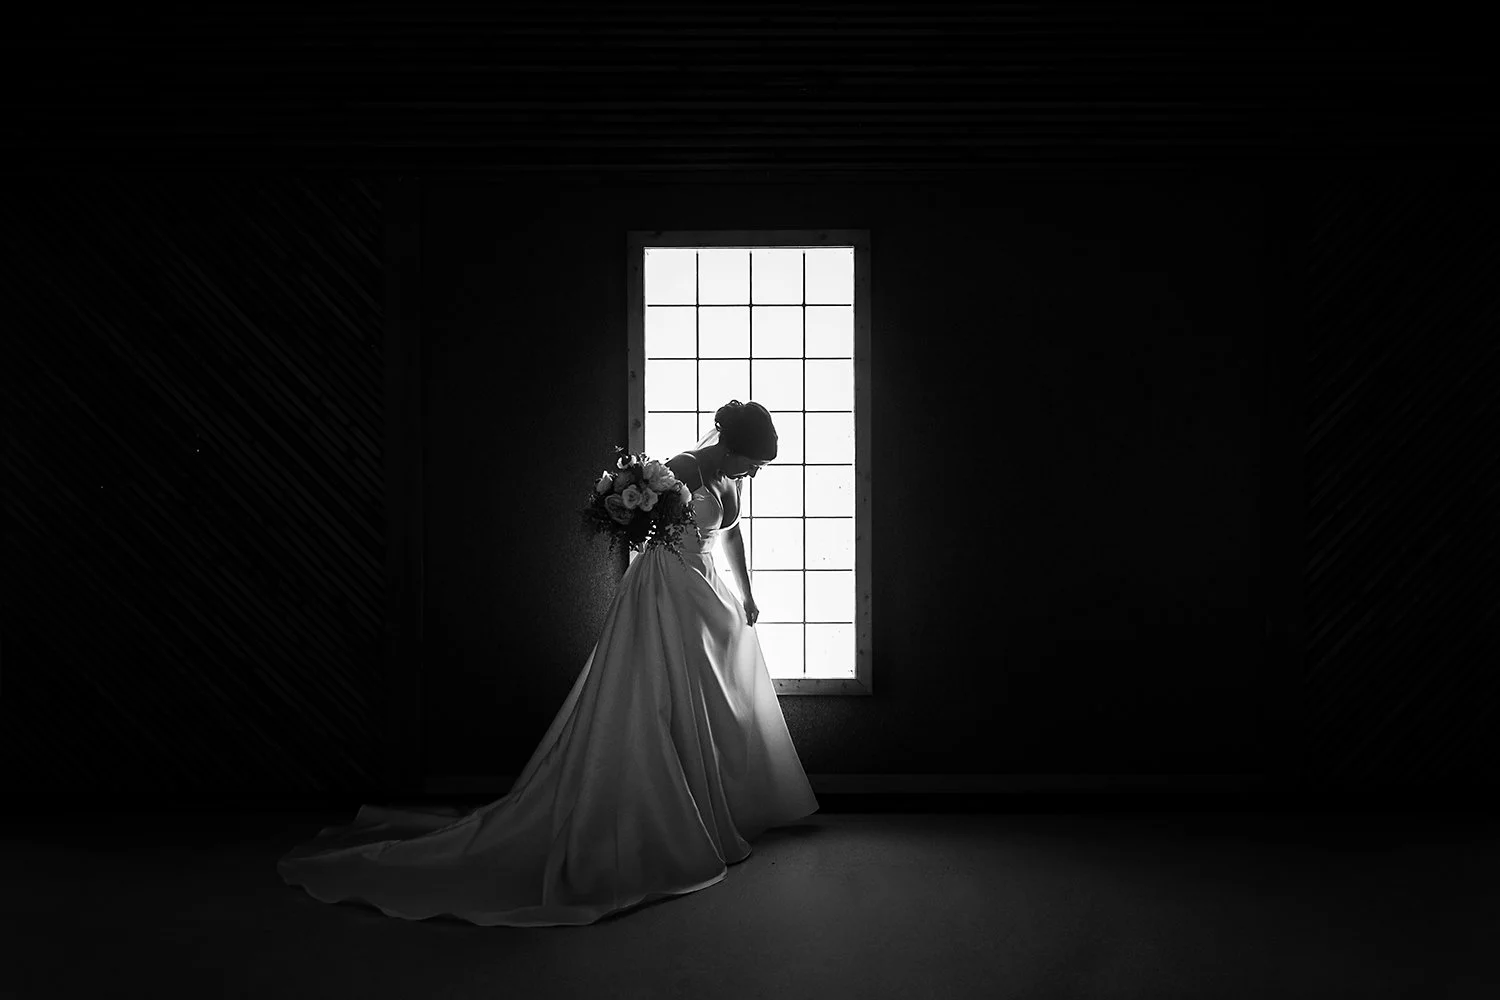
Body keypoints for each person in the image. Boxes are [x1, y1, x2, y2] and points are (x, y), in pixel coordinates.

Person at [277, 399, 819, 926]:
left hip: (707, 593)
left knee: (715, 696)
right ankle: (666, 816)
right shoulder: (679, 469)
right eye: (752, 461)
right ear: (730, 445)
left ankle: (712, 803)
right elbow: (646, 533)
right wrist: (630, 514)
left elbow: (729, 536)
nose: (753, 473)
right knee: (660, 693)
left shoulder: (727, 481)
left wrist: (746, 594)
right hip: (665, 593)